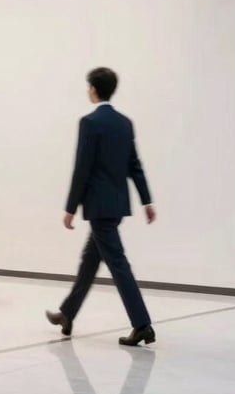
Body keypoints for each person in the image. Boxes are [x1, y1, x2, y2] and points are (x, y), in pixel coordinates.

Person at [46, 67, 157, 346]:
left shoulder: (90, 122)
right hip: (117, 205)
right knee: (89, 261)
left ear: (93, 89)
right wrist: (146, 200)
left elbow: (81, 168)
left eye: (88, 87)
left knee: (118, 265)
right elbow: (135, 165)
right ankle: (67, 313)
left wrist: (70, 208)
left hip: (98, 207)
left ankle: (142, 324)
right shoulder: (124, 123)